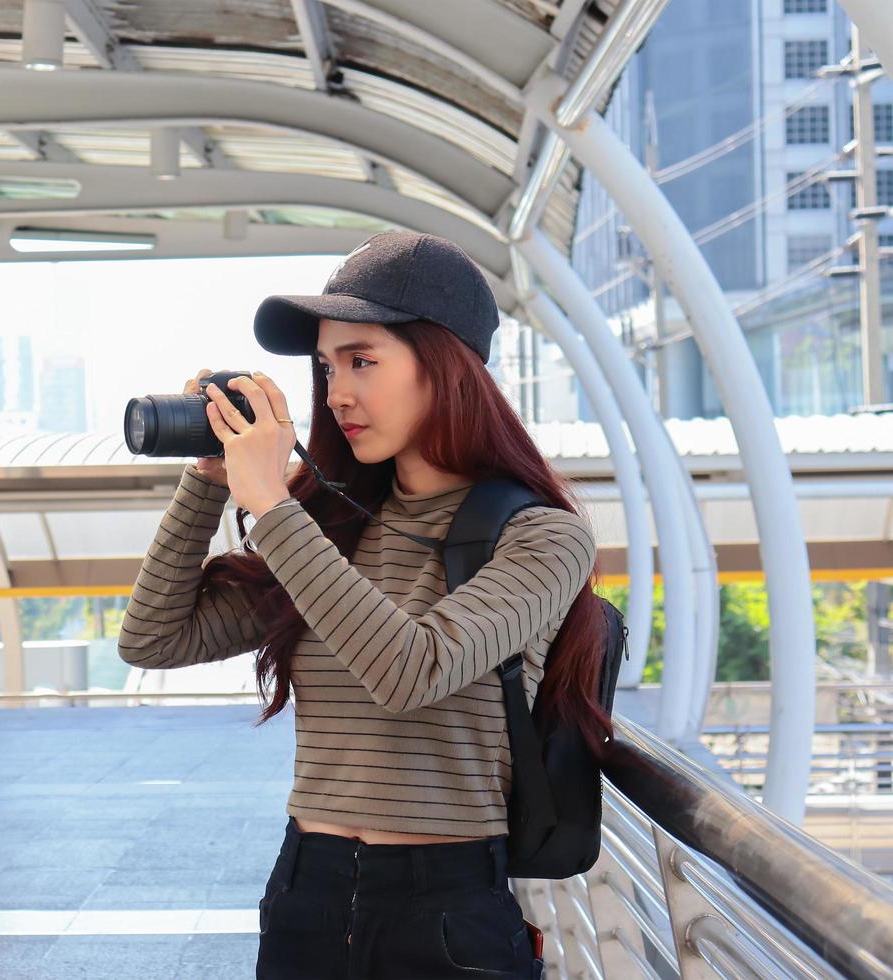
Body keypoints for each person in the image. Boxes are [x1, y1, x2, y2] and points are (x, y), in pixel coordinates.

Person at [117, 231, 604, 979]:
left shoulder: (542, 537)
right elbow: (152, 640)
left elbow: (412, 670)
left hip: (446, 909)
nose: (337, 392)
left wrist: (272, 503)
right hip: (304, 891)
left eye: (363, 360)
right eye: (326, 367)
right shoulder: (329, 529)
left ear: (445, 367)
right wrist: (211, 480)